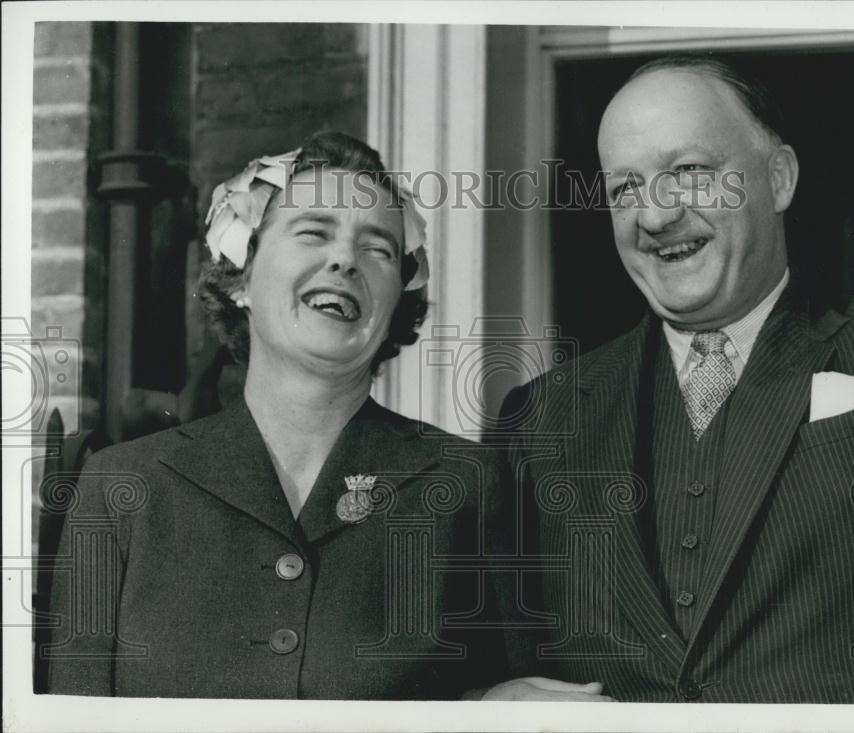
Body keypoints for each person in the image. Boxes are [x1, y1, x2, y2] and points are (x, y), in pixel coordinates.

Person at [497, 55, 854, 703]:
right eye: (625, 189)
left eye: (687, 172)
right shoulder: (540, 417)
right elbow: (467, 651)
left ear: (778, 179)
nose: (655, 216)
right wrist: (484, 699)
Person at [45, 131, 511, 699]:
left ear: (397, 304)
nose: (345, 259)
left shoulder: (468, 485)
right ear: (240, 275)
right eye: (314, 232)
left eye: (379, 249)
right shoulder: (122, 487)